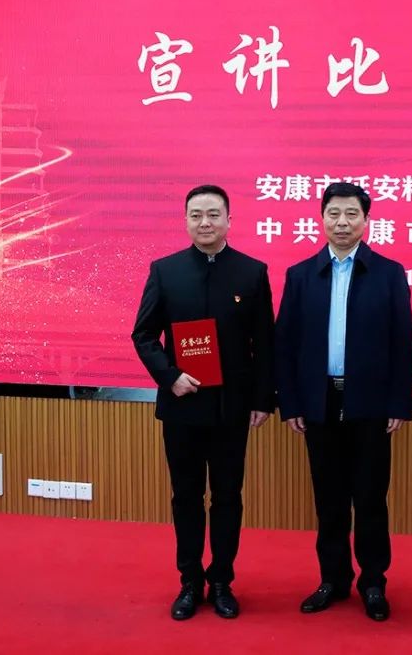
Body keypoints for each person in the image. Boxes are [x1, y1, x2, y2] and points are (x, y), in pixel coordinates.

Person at [131, 184, 275, 621]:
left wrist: (262, 399)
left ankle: (222, 581)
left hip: (232, 407)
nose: (205, 222)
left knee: (228, 496)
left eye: (214, 214)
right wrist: (170, 376)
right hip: (183, 406)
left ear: (229, 220)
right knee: (186, 496)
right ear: (185, 221)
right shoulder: (166, 271)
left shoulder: (252, 272)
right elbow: (143, 335)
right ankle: (190, 581)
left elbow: (265, 342)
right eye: (196, 215)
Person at [275, 181, 412, 622]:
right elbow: (286, 344)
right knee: (329, 499)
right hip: (319, 402)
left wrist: (398, 403)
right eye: (334, 213)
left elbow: (402, 343)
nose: (342, 222)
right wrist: (292, 404)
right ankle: (333, 579)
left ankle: (373, 582)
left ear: (366, 220)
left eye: (352, 214)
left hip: (370, 403)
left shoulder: (388, 273)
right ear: (321, 218)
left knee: (370, 498)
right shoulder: (301, 275)